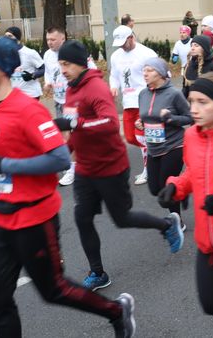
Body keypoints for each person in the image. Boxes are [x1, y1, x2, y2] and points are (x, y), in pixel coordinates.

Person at [0, 37, 136, 338]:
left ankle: (116, 311)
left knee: (53, 290)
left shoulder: (27, 110)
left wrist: (4, 165)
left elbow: (58, 158)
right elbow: (2, 151)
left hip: (33, 218)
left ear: (3, 68)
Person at [54, 40, 184, 290]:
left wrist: (76, 124)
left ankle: (167, 224)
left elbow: (110, 124)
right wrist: (61, 156)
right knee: (82, 217)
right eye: (60, 64)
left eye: (67, 64)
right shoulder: (71, 89)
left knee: (122, 218)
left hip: (110, 166)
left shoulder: (96, 88)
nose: (63, 69)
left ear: (81, 63)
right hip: (85, 167)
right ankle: (98, 272)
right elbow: (72, 128)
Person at [157, 73, 213, 317]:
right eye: (191, 101)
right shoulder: (192, 135)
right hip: (208, 238)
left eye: (203, 102)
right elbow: (194, 171)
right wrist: (176, 186)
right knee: (211, 303)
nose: (193, 109)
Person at [136, 57, 192, 220]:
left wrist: (171, 119)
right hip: (154, 147)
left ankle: (177, 221)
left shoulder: (174, 94)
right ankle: (181, 191)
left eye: (150, 70)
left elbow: (189, 117)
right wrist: (142, 123)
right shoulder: (143, 94)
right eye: (144, 70)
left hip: (174, 146)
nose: (145, 73)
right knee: (155, 189)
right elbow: (146, 117)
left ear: (160, 73)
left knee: (165, 188)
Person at [42, 27, 96, 186]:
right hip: (59, 100)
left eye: (53, 40)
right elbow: (48, 71)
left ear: (62, 39)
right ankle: (79, 163)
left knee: (71, 134)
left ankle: (72, 169)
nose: (49, 43)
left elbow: (92, 70)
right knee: (67, 134)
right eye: (48, 40)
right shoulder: (47, 55)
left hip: (73, 100)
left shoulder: (73, 52)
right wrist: (47, 82)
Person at [109, 25, 158, 186]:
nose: (123, 46)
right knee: (131, 137)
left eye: (124, 42)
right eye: (120, 43)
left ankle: (149, 169)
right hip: (128, 101)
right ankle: (155, 151)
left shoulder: (147, 53)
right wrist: (113, 86)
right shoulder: (116, 56)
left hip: (145, 99)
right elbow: (114, 75)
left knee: (142, 136)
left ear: (131, 37)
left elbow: (163, 73)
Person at [5, 26, 44, 100]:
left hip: (30, 94)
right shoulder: (6, 54)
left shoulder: (29, 53)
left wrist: (33, 75)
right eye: (5, 36)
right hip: (14, 95)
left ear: (17, 38)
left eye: (10, 36)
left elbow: (44, 69)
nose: (7, 39)